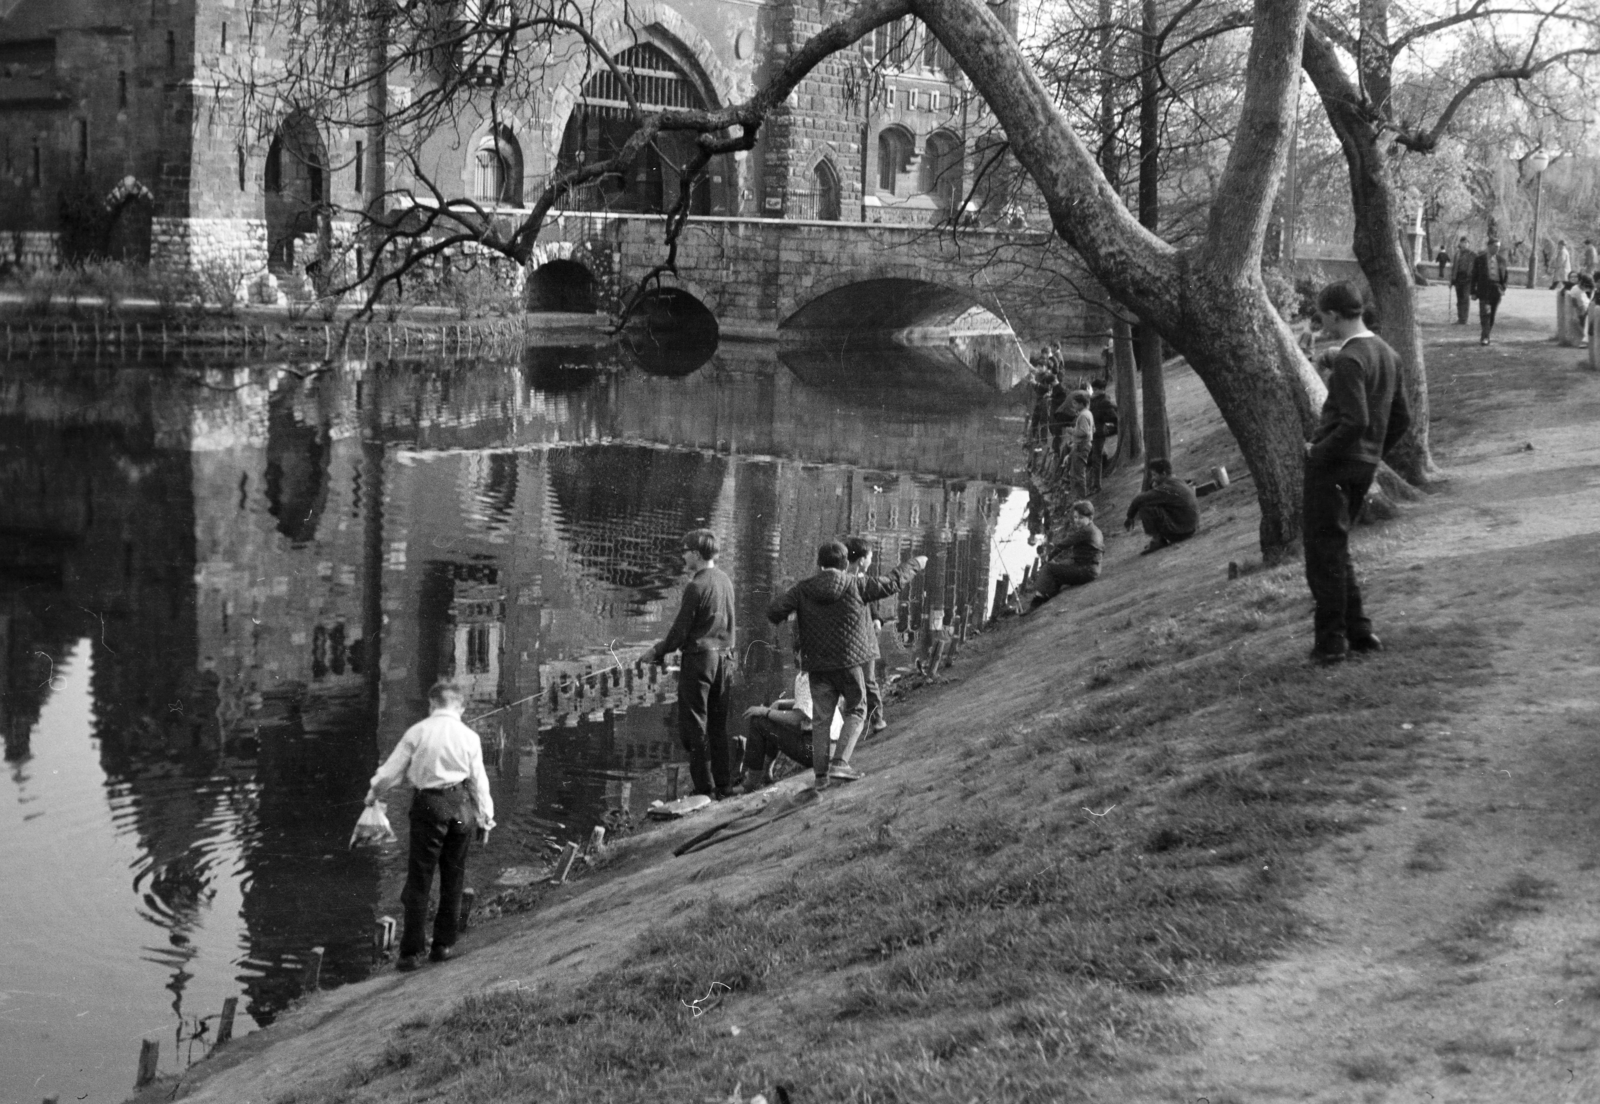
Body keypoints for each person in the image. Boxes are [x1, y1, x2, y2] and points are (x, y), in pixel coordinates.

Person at [1303, 282, 1411, 665]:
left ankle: (1331, 644)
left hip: (1333, 465)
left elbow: (1355, 420)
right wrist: (1374, 452)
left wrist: (1319, 451)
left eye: (1323, 316)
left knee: (1322, 557)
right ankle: (1360, 632)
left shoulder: (1351, 360)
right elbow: (1402, 418)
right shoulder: (1387, 353)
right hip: (1362, 466)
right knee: (1337, 550)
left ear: (1334, 315)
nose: (1323, 323)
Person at [767, 543, 925, 788]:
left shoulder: (802, 590)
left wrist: (793, 613)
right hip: (849, 662)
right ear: (844, 564)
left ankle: (820, 777)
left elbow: (774, 611)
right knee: (857, 709)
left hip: (818, 666)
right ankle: (840, 763)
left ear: (820, 565)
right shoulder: (857, 584)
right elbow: (891, 583)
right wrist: (915, 564)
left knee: (821, 720)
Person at [365, 681, 495, 971]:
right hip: (461, 806)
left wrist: (372, 795)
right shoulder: (469, 737)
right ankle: (443, 945)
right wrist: (486, 818)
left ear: (432, 704)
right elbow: (479, 781)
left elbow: (389, 773)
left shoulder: (418, 732)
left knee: (420, 877)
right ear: (459, 706)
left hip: (429, 805)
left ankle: (411, 952)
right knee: (454, 877)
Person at [648, 528, 738, 800]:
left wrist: (657, 651)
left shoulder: (696, 586)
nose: (683, 557)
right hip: (724, 660)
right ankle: (724, 785)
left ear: (697, 555)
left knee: (694, 727)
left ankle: (704, 789)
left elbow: (679, 633)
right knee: (718, 726)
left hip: (699, 662)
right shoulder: (725, 580)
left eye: (685, 552)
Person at [739, 671, 844, 792]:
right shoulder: (819, 671)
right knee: (772, 718)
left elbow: (795, 718)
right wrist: (781, 703)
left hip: (813, 751)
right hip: (832, 748)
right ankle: (765, 774)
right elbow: (809, 702)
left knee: (759, 722)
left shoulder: (803, 677)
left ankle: (751, 781)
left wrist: (765, 712)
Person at [844, 536, 888, 734]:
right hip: (858, 638)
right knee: (861, 680)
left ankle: (876, 719)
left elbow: (869, 602)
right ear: (861, 560)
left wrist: (876, 617)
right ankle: (861, 720)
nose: (871, 560)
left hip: (862, 635)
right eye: (870, 557)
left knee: (867, 679)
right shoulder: (849, 580)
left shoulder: (860, 581)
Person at [1029, 500, 1102, 609]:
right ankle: (1049, 594)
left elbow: (1064, 544)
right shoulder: (1094, 529)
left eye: (1081, 518)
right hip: (1092, 568)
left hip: (1087, 570)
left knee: (1049, 568)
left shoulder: (1085, 531)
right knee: (1059, 568)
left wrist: (1049, 556)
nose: (1077, 521)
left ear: (1090, 518)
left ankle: (1037, 600)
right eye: (1075, 517)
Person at [1123, 457, 1201, 553]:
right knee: (1153, 502)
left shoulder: (1166, 488)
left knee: (1144, 506)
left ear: (1163, 474)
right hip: (1192, 527)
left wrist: (1129, 517)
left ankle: (1157, 540)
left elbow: (1139, 499)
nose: (1153, 478)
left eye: (1155, 475)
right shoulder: (1177, 481)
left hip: (1183, 532)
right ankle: (1161, 538)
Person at [1471, 237, 1509, 345]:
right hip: (1484, 289)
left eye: (1499, 247)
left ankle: (1486, 334)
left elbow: (1505, 275)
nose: (1497, 249)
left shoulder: (1501, 260)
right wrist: (1473, 292)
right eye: (1495, 247)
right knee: (1485, 313)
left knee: (1492, 315)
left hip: (1496, 290)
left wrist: (1503, 287)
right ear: (1489, 246)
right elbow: (1474, 276)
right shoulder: (1480, 260)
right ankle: (1485, 337)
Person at [1087, 378, 1119, 495]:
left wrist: (1106, 422)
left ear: (1101, 390)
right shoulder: (1093, 400)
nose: (1093, 391)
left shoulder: (1104, 401)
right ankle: (1093, 483)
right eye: (1092, 389)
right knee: (1095, 457)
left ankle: (1096, 485)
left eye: (1095, 389)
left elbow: (1113, 415)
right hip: (1091, 431)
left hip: (1098, 432)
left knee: (1096, 459)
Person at [1066, 390, 1094, 500]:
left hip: (1082, 446)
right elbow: (1092, 429)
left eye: (1075, 404)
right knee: (1076, 472)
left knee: (1078, 474)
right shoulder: (1088, 413)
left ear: (1081, 404)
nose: (1073, 406)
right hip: (1084, 445)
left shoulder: (1083, 416)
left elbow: (1084, 432)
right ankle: (1078, 497)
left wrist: (1071, 431)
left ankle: (1081, 498)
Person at [1451, 236, 1476, 324]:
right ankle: (1460, 318)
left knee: (1465, 299)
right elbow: (1454, 267)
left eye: (1466, 243)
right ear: (1460, 244)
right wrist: (1452, 279)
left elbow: (1476, 268)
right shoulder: (1457, 254)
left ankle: (1464, 319)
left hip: (1467, 279)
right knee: (1459, 299)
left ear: (1469, 244)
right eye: (1463, 242)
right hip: (1458, 278)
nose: (1465, 244)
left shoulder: (1472, 254)